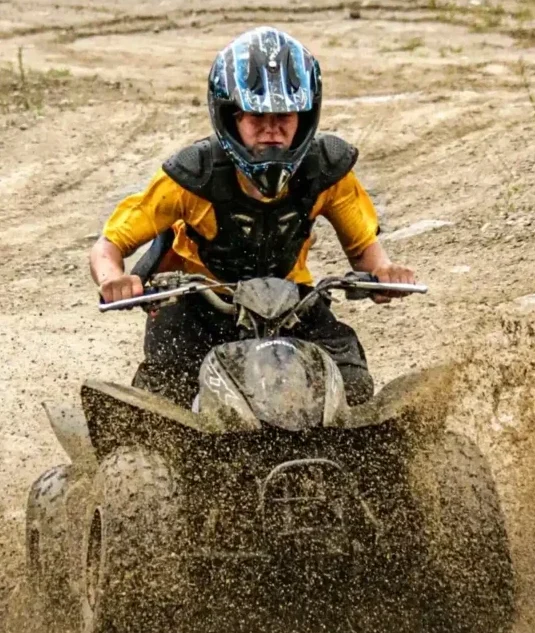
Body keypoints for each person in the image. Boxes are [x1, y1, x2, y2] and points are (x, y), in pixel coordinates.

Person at [90, 26, 416, 408]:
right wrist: (114, 281)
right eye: (256, 116)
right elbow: (107, 246)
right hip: (201, 308)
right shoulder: (191, 176)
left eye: (285, 115)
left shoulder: (327, 171)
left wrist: (385, 274)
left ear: (305, 115)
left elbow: (365, 252)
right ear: (230, 117)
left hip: (293, 307)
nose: (272, 130)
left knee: (354, 387)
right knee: (164, 398)